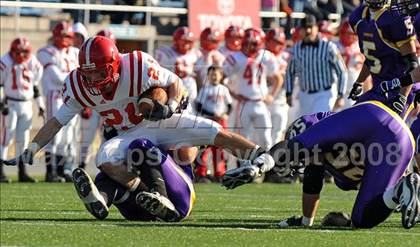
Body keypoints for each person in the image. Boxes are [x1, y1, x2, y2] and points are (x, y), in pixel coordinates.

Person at [4, 35, 274, 221]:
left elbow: (175, 84)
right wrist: (33, 147)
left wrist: (171, 105)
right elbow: (56, 120)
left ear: (112, 65)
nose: (92, 79)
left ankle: (261, 156)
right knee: (104, 158)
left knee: (212, 131)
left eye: (98, 72)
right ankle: (133, 192)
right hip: (129, 132)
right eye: (87, 73)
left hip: (162, 126)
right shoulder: (79, 85)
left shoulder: (136, 64)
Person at [222, 101, 419, 229]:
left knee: (362, 219)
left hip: (377, 129)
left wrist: (258, 166)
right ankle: (401, 190)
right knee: (382, 199)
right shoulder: (334, 132)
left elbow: (294, 150)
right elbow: (312, 181)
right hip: (399, 137)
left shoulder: (316, 134)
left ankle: (399, 191)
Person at [348, 0, 418, 118]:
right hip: (379, 89)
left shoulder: (395, 19)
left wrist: (403, 96)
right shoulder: (358, 16)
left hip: (403, 89)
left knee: (390, 136)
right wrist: (359, 82)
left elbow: (412, 63)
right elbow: (374, 57)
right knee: (351, 120)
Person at [74, 138, 195, 222]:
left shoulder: (174, 113)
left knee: (141, 144)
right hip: (141, 204)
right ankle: (100, 200)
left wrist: (162, 131)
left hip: (178, 201)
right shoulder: (119, 120)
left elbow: (187, 155)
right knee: (107, 173)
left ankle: (160, 196)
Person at [223, 28, 281, 151]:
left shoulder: (266, 56)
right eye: (247, 43)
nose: (249, 47)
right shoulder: (235, 57)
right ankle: (244, 167)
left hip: (261, 103)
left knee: (266, 139)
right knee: (244, 140)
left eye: (254, 44)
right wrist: (234, 94)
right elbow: (221, 79)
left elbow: (278, 78)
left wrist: (272, 95)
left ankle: (267, 166)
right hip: (244, 103)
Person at [37, 21, 79, 182]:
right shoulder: (46, 51)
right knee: (54, 135)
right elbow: (57, 77)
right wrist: (74, 76)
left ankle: (61, 171)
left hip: (71, 95)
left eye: (67, 35)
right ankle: (50, 171)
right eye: (62, 35)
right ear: (54, 35)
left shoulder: (75, 52)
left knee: (67, 137)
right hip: (54, 95)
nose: (65, 39)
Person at [0, 37, 44, 183]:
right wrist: (2, 103)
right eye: (18, 52)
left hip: (26, 104)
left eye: (24, 52)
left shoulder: (33, 62)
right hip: (10, 103)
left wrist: (40, 105)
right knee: (6, 137)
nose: (20, 55)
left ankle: (22, 172)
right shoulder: (5, 61)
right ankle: (0, 171)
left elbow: (35, 87)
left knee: (23, 139)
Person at [285, 14, 347, 116]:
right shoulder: (296, 48)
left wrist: (340, 95)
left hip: (324, 93)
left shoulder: (328, 47)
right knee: (307, 127)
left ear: (316, 28)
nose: (308, 31)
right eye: (305, 28)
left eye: (310, 27)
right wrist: (288, 93)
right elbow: (290, 72)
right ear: (300, 30)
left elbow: (341, 71)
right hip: (304, 95)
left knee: (318, 122)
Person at [195, 66, 233, 182]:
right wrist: (212, 114)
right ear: (208, 76)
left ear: (221, 76)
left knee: (220, 148)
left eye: (216, 74)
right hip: (208, 121)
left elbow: (230, 105)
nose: (213, 77)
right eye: (211, 74)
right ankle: (201, 173)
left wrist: (224, 114)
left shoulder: (224, 89)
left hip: (220, 121)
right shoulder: (205, 89)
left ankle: (219, 173)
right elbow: (199, 106)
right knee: (204, 148)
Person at [155, 27, 199, 111]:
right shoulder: (165, 52)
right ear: (176, 40)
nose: (186, 44)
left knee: (191, 112)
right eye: (184, 41)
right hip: (171, 85)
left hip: (189, 86)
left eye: (189, 41)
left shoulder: (195, 54)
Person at [264, 28, 288, 143]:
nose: (277, 45)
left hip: (280, 100)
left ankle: (274, 159)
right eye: (275, 41)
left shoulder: (286, 56)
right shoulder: (262, 55)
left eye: (280, 42)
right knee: (262, 134)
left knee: (278, 133)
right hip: (264, 100)